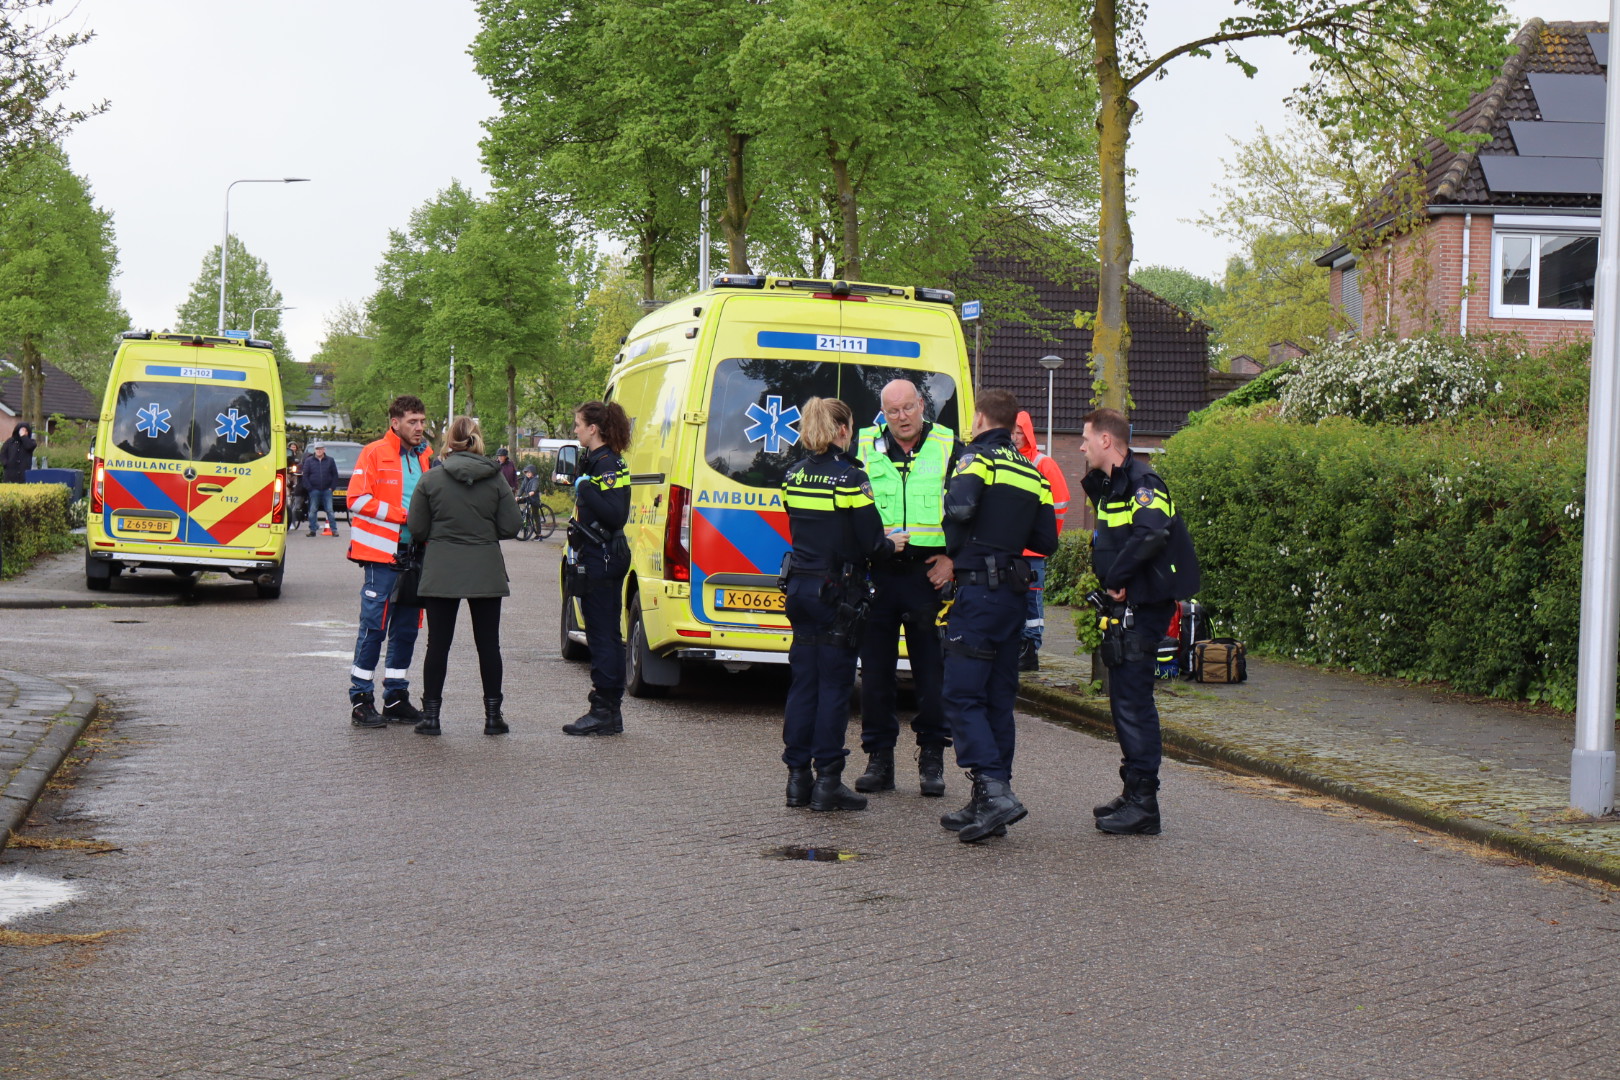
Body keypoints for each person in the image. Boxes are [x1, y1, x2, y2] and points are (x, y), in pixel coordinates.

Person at [938, 389, 1057, 843]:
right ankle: (988, 802)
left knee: (962, 695)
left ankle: (993, 791)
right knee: (997, 700)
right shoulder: (1032, 471)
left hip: (978, 594)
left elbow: (962, 507)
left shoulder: (976, 459)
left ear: (982, 418)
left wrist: (960, 533)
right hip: (1013, 596)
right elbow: (1046, 540)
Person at [780, 397, 907, 812]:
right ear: (841, 431)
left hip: (799, 589)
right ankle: (828, 782)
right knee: (834, 688)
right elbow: (871, 543)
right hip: (837, 595)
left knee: (803, 685)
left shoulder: (793, 476)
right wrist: (893, 543)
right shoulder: (851, 478)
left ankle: (798, 780)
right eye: (849, 427)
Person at [1079, 407, 1201, 836]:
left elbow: (1150, 534)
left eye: (1087, 438)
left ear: (1107, 441)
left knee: (1134, 703)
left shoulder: (1145, 484)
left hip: (1143, 608)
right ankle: (1133, 793)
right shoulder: (1115, 485)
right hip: (1125, 606)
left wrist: (1118, 579)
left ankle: (1145, 804)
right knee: (1124, 702)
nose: (1081, 445)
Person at [851, 378, 957, 798]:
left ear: (921, 405)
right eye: (893, 411)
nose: (902, 418)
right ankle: (879, 760)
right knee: (876, 676)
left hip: (926, 575)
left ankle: (932, 758)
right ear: (884, 413)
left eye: (908, 408)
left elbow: (970, 509)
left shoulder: (950, 446)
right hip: (878, 574)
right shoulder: (862, 447)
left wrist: (954, 560)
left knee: (932, 675)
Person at [405, 415, 521, 736]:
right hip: (485, 568)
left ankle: (431, 718)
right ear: (477, 439)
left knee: (437, 646)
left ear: (448, 441)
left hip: (441, 569)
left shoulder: (431, 479)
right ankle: (493, 717)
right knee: (489, 645)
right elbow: (511, 526)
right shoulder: (496, 479)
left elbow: (417, 528)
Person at [346, 395, 435, 729]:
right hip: (380, 556)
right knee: (374, 628)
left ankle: (396, 697)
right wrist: (405, 517)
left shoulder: (425, 454)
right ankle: (361, 699)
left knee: (407, 628)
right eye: (413, 421)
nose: (420, 428)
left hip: (415, 555)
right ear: (395, 422)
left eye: (423, 421)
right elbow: (356, 499)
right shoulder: (373, 452)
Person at [561, 401, 634, 736]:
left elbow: (616, 513)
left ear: (594, 428)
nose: (575, 430)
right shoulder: (596, 461)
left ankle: (604, 710)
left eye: (578, 424)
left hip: (602, 558)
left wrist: (586, 488)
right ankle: (608, 710)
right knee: (602, 633)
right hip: (597, 555)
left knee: (603, 635)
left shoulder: (607, 464)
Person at [1012, 411, 1071, 671]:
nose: (1015, 437)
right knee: (1012, 600)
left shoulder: (1042, 463)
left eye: (1019, 433)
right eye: (1011, 432)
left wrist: (1046, 536)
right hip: (1011, 547)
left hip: (1033, 550)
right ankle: (1017, 647)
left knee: (1032, 601)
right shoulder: (1007, 459)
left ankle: (1030, 649)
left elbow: (1060, 502)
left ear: (1028, 433)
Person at [301, 443, 340, 537]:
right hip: (314, 490)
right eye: (317, 449)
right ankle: (312, 530)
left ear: (324, 450)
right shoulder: (309, 461)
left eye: (320, 449)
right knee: (312, 511)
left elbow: (335, 475)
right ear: (315, 450)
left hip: (327, 490)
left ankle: (334, 530)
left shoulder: (330, 460)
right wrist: (310, 488)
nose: (319, 451)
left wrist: (332, 488)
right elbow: (305, 476)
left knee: (330, 510)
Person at [516, 464, 542, 537]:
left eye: (529, 472)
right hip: (527, 497)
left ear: (533, 472)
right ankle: (521, 516)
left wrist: (533, 491)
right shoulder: (526, 479)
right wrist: (518, 496)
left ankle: (539, 534)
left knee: (535, 514)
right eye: (526, 472)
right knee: (515, 502)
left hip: (534, 499)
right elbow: (522, 488)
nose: (527, 474)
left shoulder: (535, 479)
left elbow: (535, 485)